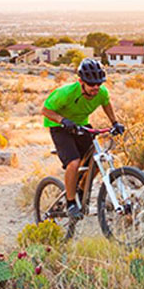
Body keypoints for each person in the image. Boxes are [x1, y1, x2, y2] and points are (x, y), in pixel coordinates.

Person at [41, 58, 124, 220]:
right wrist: (63, 121)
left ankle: (79, 189)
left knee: (97, 160)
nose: (95, 88)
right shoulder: (65, 93)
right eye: (91, 84)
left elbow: (106, 104)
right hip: (60, 127)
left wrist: (115, 123)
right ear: (81, 82)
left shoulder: (101, 92)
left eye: (98, 84)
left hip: (82, 126)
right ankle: (71, 202)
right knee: (74, 162)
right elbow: (45, 110)